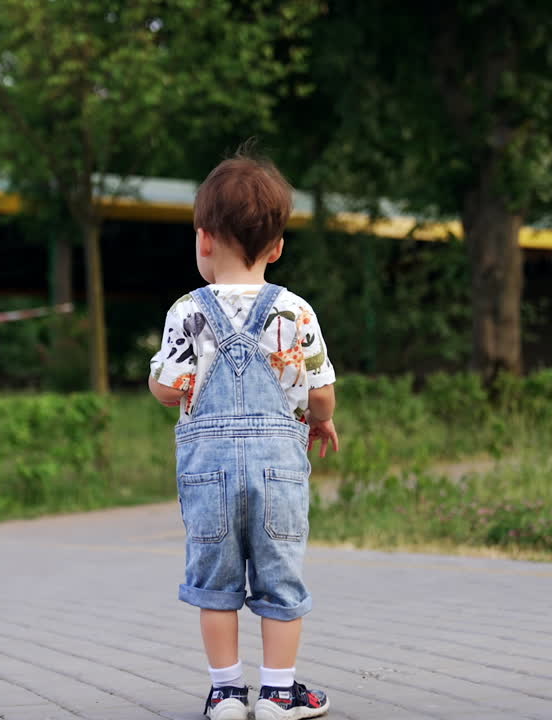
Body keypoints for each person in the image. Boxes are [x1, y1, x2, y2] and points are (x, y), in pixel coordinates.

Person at [148, 150, 339, 720]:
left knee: (216, 585)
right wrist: (322, 419)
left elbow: (167, 389)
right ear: (277, 248)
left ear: (203, 240)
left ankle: (227, 693)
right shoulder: (296, 312)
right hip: (279, 470)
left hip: (208, 473)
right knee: (280, 579)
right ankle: (280, 693)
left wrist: (162, 381)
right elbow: (321, 390)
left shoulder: (186, 311)